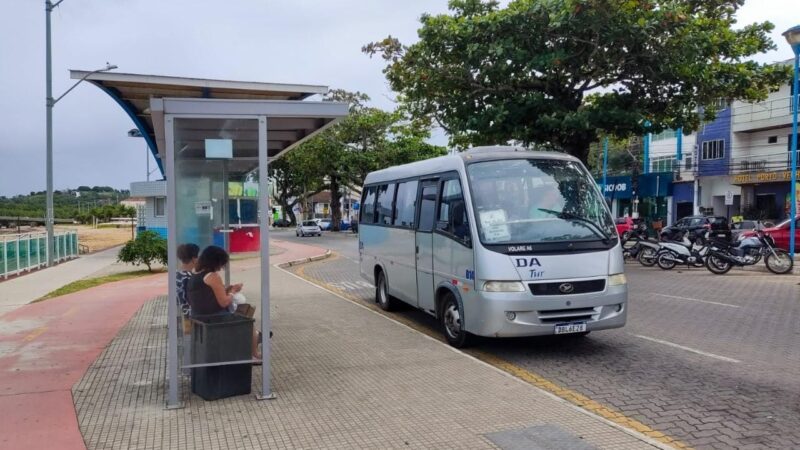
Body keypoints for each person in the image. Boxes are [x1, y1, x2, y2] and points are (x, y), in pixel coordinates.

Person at [187, 246, 260, 360]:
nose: (221, 268)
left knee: (244, 313)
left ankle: (256, 339)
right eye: (221, 264)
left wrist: (226, 290)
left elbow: (205, 296)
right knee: (249, 323)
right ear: (216, 262)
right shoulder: (213, 276)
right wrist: (233, 292)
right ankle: (254, 354)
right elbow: (224, 302)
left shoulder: (194, 275)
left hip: (197, 318)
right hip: (215, 319)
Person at [176, 243, 199, 316]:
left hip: (180, 312)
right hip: (190, 314)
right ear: (193, 259)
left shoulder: (177, 274)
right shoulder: (189, 277)